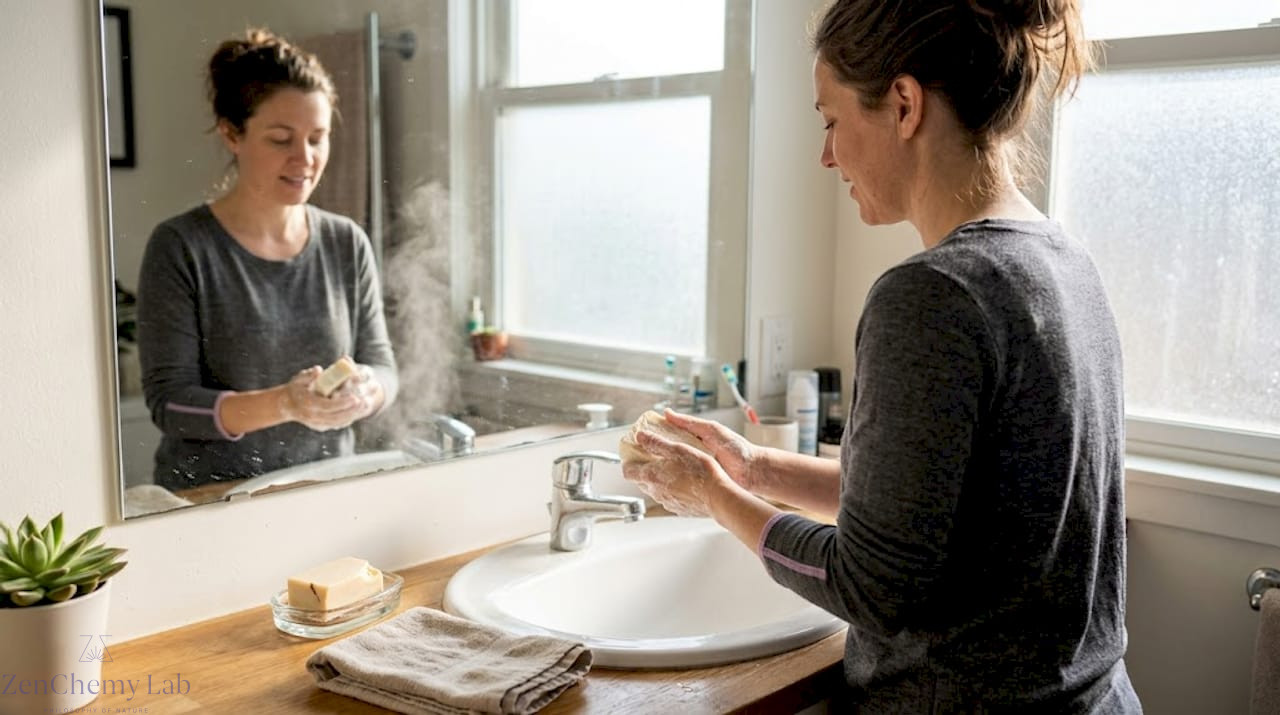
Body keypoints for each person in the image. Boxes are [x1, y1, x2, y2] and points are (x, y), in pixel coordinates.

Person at [622, 0, 1141, 711]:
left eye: (831, 121)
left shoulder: (932, 295)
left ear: (903, 105)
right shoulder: (1063, 261)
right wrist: (754, 469)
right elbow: (920, 510)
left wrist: (714, 496)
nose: (826, 155)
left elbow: (870, 585)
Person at [137, 29, 398, 492]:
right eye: (281, 139)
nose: (305, 159)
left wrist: (367, 389)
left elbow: (384, 368)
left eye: (318, 138)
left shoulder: (346, 242)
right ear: (231, 134)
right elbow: (171, 405)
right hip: (211, 501)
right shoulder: (181, 247)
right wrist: (284, 404)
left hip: (324, 491)